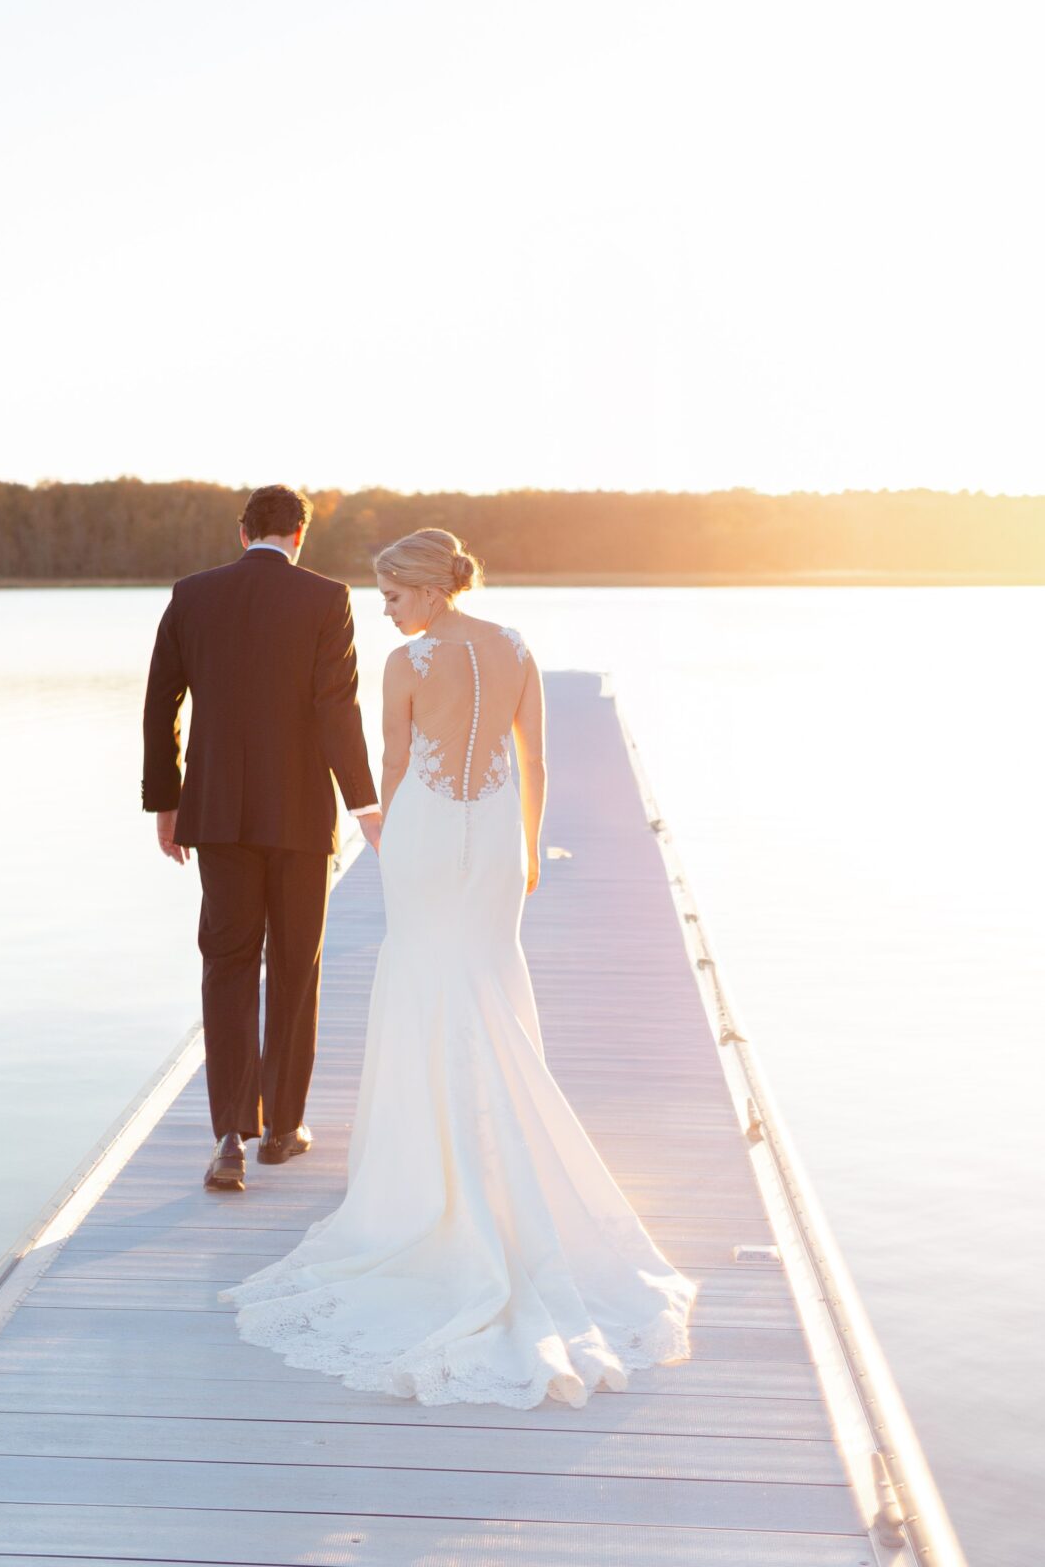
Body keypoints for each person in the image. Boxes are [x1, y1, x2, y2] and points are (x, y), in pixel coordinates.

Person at [221, 525, 698, 1406]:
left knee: (423, 986)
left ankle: (427, 1178)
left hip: (427, 837)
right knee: (486, 985)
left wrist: (380, 835)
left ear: (430, 589)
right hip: (495, 842)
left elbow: (397, 764)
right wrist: (529, 844)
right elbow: (535, 759)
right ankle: (497, 1156)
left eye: (394, 597)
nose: (387, 612)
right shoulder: (516, 648)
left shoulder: (410, 666)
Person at [142, 483, 381, 1192]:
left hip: (215, 815)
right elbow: (336, 710)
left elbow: (161, 706)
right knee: (294, 965)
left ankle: (226, 1138)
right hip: (302, 815)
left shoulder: (191, 594)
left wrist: (167, 803)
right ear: (298, 534)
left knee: (227, 962)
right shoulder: (326, 598)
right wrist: (364, 803)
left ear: (242, 532)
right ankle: (281, 1128)